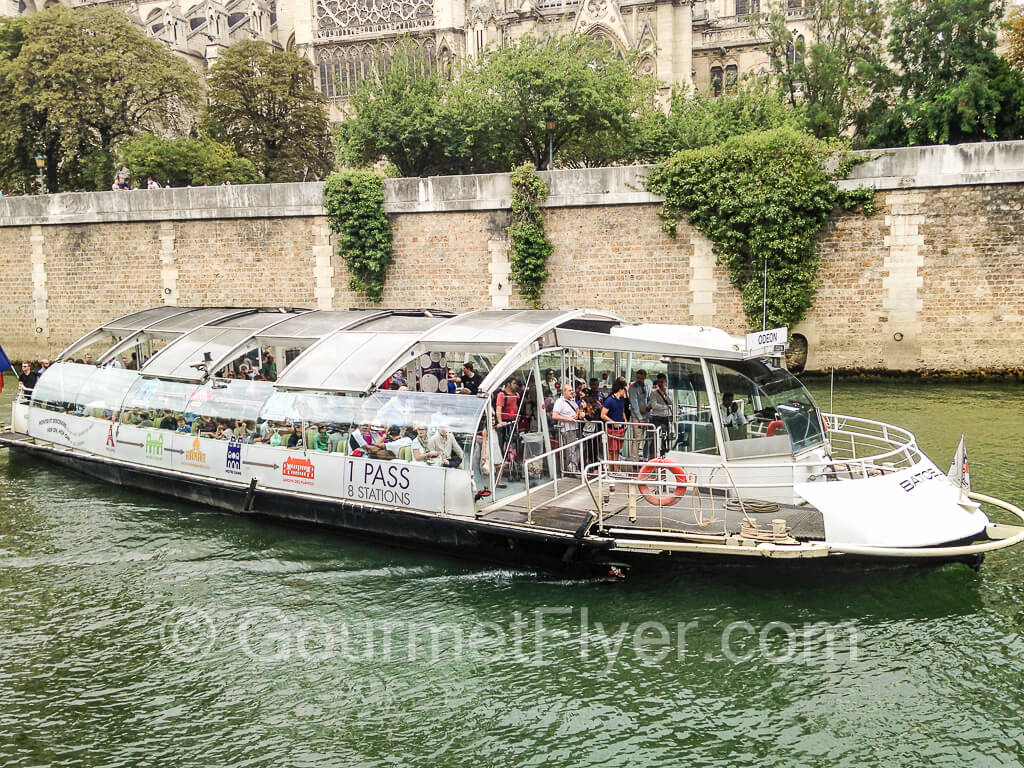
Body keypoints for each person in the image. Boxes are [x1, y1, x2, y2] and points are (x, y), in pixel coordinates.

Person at [552, 386, 583, 472]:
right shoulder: (559, 402)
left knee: (578, 447)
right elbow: (554, 415)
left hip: (575, 427)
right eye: (569, 390)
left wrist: (576, 415)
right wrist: (568, 419)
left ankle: (572, 466)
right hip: (567, 428)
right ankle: (572, 469)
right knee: (571, 449)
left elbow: (577, 409)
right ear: (564, 392)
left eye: (572, 390)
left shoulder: (572, 400)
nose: (571, 392)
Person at [601, 380, 628, 472]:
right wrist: (613, 422)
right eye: (624, 389)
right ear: (620, 389)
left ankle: (616, 469)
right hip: (611, 429)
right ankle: (611, 470)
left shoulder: (622, 399)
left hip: (620, 428)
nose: (625, 391)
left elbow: (622, 410)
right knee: (611, 450)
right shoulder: (609, 400)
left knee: (617, 450)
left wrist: (625, 420)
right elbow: (603, 415)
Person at [627, 369, 652, 460]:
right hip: (637, 417)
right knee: (637, 438)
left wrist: (647, 408)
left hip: (646, 415)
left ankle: (645, 456)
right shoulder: (632, 388)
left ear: (645, 377)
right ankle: (635, 459)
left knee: (647, 437)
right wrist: (640, 418)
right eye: (638, 377)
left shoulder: (647, 386)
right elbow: (634, 404)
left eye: (641, 377)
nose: (639, 379)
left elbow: (650, 399)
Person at [495, 378, 520, 456]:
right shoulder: (502, 395)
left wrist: (517, 415)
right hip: (504, 421)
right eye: (514, 383)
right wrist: (500, 422)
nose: (516, 386)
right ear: (508, 384)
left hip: (513, 420)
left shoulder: (516, 395)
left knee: (513, 439)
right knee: (502, 440)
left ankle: (513, 455)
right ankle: (502, 456)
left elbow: (516, 405)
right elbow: (498, 408)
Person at [650, 373, 673, 456]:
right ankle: (653, 456)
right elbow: (654, 405)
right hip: (656, 418)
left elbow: (671, 402)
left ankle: (664, 455)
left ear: (665, 381)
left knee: (665, 437)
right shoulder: (654, 393)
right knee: (655, 438)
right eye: (658, 382)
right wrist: (665, 407)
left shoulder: (670, 392)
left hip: (666, 417)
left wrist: (665, 394)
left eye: (662, 382)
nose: (660, 384)